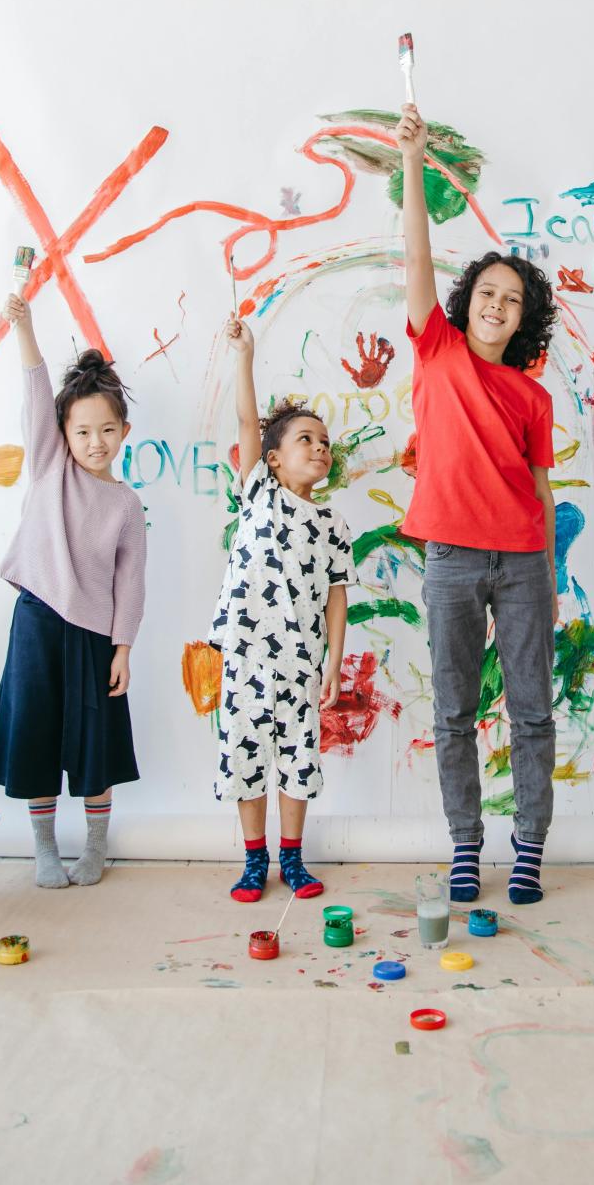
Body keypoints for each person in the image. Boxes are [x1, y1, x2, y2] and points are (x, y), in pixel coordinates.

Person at [397, 101, 558, 906]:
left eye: (513, 299)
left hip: (526, 563)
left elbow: (540, 488)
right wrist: (414, 166)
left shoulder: (531, 397)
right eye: (488, 292)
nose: (497, 304)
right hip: (451, 560)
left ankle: (529, 847)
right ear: (468, 302)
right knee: (455, 710)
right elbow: (417, 255)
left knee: (531, 711)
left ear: (525, 318)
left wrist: (550, 575)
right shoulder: (437, 349)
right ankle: (467, 844)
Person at [0, 295, 146, 887]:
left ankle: (96, 847)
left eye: (107, 430)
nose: (95, 441)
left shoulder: (126, 504)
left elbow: (131, 582)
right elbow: (34, 388)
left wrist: (122, 647)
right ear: (63, 434)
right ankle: (45, 848)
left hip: (95, 635)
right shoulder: (51, 466)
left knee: (93, 742)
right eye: (83, 431)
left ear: (123, 431)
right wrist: (23, 328)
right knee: (37, 734)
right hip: (37, 623)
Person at [209, 314, 350, 902]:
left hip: (299, 663)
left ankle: (292, 858)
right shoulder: (258, 494)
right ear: (271, 460)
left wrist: (333, 664)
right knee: (246, 756)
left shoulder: (333, 524)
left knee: (297, 760)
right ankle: (253, 859)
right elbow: (248, 420)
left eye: (323, 442)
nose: (318, 448)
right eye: (304, 440)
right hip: (244, 656)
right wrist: (245, 355)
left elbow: (337, 598)